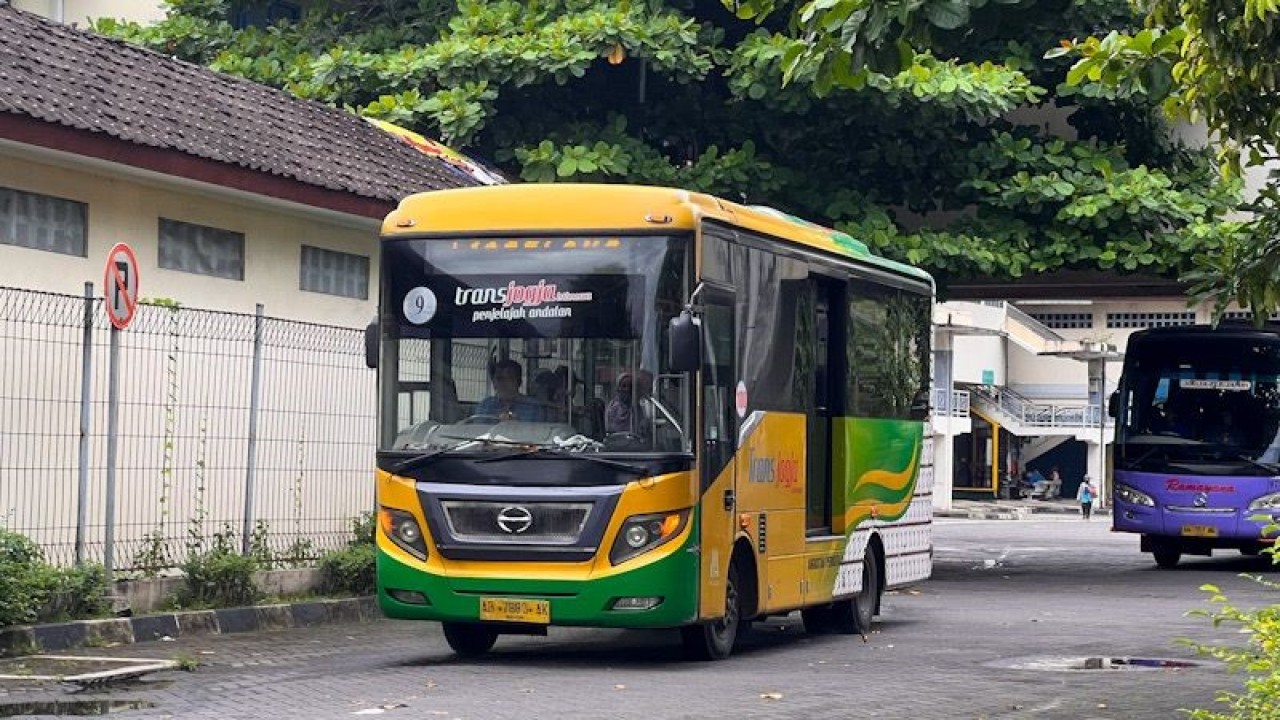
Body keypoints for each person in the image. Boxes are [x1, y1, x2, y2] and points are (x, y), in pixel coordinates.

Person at [475, 359, 544, 422]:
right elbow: (478, 430)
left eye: (510, 378)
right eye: (499, 378)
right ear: (494, 383)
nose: (503, 383)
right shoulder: (486, 405)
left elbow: (533, 433)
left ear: (519, 382)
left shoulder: (532, 407)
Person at [605, 369, 654, 436]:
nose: (627, 389)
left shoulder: (639, 408)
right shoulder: (613, 408)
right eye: (623, 386)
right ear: (618, 388)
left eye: (630, 386)